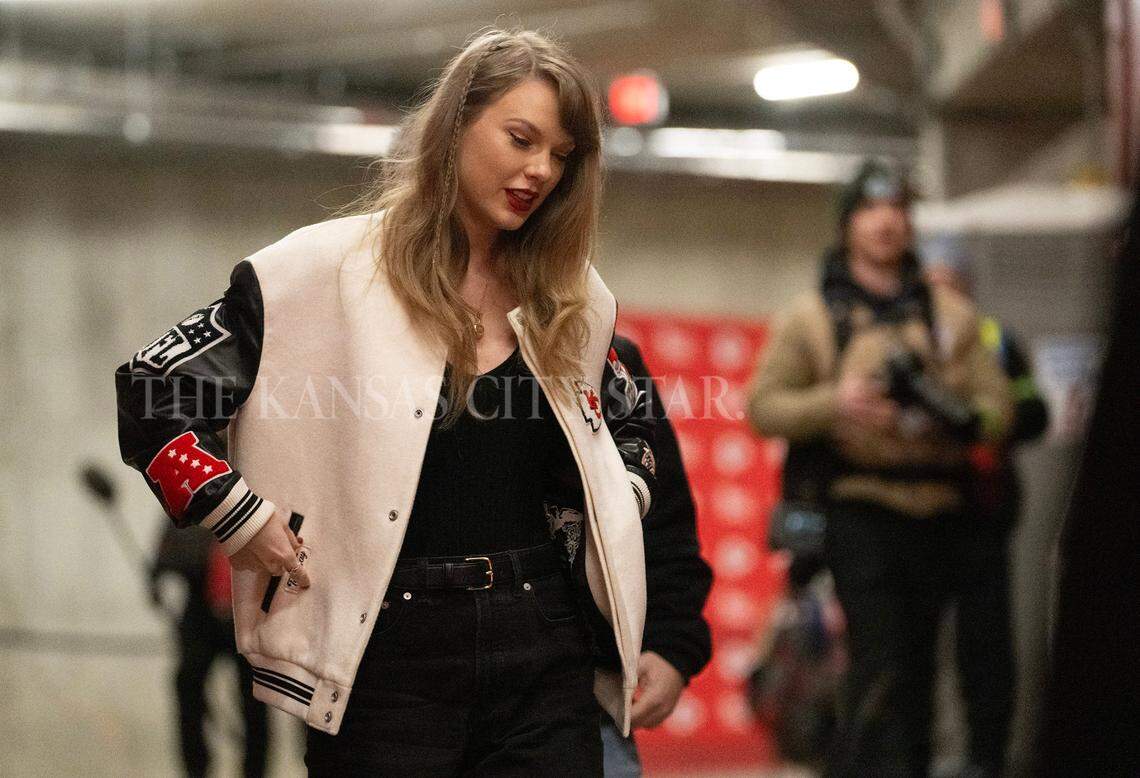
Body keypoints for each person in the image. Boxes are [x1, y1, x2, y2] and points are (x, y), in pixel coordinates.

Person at [116, 29, 656, 776]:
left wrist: (617, 509)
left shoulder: (574, 296)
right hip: (383, 656)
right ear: (457, 124)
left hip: (544, 646)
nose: (540, 171)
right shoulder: (320, 272)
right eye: (522, 138)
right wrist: (236, 516)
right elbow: (151, 389)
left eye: (563, 156)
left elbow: (632, 425)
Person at [746, 159, 1012, 777]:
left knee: (921, 673)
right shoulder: (811, 317)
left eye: (897, 209)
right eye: (870, 209)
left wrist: (959, 418)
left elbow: (1000, 407)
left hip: (945, 514)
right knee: (880, 663)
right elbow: (763, 406)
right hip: (859, 512)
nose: (886, 222)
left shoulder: (953, 317)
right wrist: (834, 403)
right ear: (847, 225)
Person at [923, 237, 1049, 777]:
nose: (944, 297)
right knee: (910, 652)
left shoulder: (995, 339)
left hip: (981, 513)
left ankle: (986, 759)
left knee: (987, 652)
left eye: (953, 283)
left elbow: (1034, 410)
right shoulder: (893, 341)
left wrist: (983, 423)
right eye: (933, 285)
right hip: (915, 517)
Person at [598, 334, 713, 777]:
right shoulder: (391, 350)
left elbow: (660, 515)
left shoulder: (606, 357)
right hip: (408, 694)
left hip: (581, 691)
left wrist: (671, 643)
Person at [150, 520, 269, 777]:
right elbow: (163, 563)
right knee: (188, 685)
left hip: (249, 612)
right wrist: (162, 581)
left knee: (259, 695)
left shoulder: (263, 494)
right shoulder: (192, 500)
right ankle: (196, 769)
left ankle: (255, 771)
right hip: (200, 610)